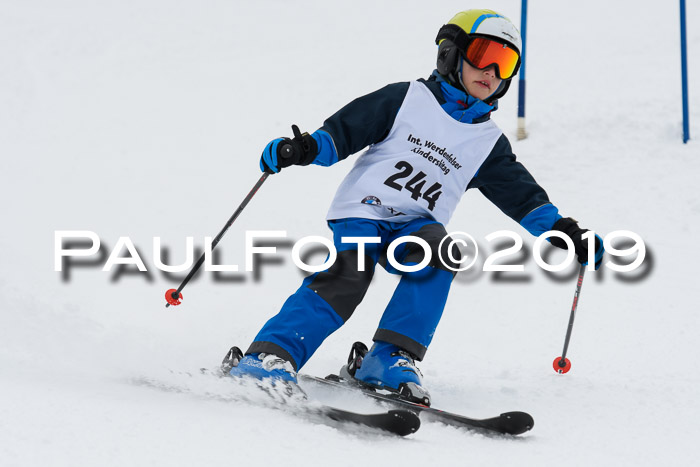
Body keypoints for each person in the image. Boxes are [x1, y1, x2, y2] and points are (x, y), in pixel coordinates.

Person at [229, 9, 604, 403]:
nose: (491, 70)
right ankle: (271, 355)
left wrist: (564, 231)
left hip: (415, 225)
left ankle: (390, 357)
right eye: (483, 53)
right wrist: (302, 149)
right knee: (348, 276)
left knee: (442, 253)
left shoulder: (487, 144)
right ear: (451, 53)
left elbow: (522, 197)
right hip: (365, 211)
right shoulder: (405, 99)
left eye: (505, 62)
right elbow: (340, 134)